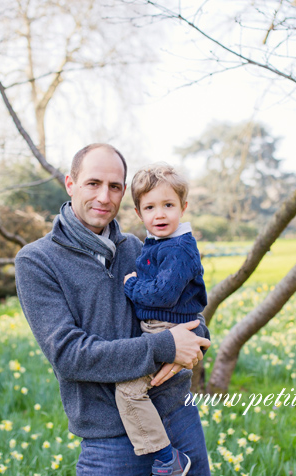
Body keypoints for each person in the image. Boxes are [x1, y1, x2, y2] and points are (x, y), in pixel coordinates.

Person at [15, 144, 212, 476]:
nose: (104, 197)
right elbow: (70, 355)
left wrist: (196, 340)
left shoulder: (137, 248)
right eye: (93, 183)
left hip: (179, 418)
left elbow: (187, 310)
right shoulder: (37, 261)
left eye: (115, 186)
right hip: (110, 440)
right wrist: (166, 346)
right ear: (70, 183)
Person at [116, 163, 207, 476]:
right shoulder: (157, 243)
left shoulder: (180, 248)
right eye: (150, 207)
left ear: (183, 207)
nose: (160, 214)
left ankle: (168, 458)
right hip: (158, 331)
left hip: (167, 331)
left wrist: (131, 285)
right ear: (139, 213)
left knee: (128, 391)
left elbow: (163, 295)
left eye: (168, 205)